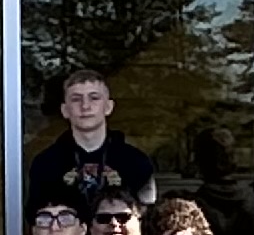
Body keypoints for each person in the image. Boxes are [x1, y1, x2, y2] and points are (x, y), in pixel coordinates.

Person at [22, 69, 155, 225]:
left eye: (94, 98)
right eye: (76, 99)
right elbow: (36, 219)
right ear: (65, 110)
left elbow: (146, 218)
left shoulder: (135, 161)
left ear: (109, 107)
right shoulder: (46, 163)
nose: (85, 106)